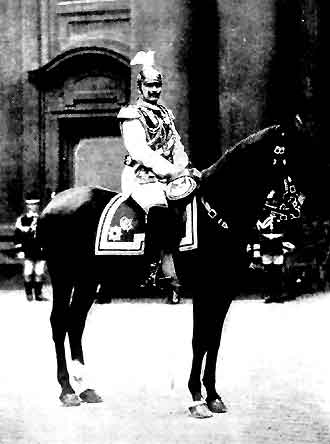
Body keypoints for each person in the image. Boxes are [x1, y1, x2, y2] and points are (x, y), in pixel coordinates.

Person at [117, 50, 196, 300]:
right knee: (159, 209)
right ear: (140, 88)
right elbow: (140, 151)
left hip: (168, 177)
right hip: (141, 177)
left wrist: (182, 166)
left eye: (158, 86)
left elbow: (177, 145)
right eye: (149, 86)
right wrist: (171, 170)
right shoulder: (131, 115)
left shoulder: (165, 114)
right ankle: (151, 269)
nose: (154, 90)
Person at [14, 197, 47, 301]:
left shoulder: (43, 218)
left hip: (40, 250)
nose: (34, 207)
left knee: (39, 272)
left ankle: (38, 294)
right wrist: (19, 250)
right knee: (27, 272)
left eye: (36, 204)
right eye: (31, 204)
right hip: (27, 249)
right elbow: (17, 236)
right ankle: (29, 294)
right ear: (27, 206)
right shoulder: (22, 220)